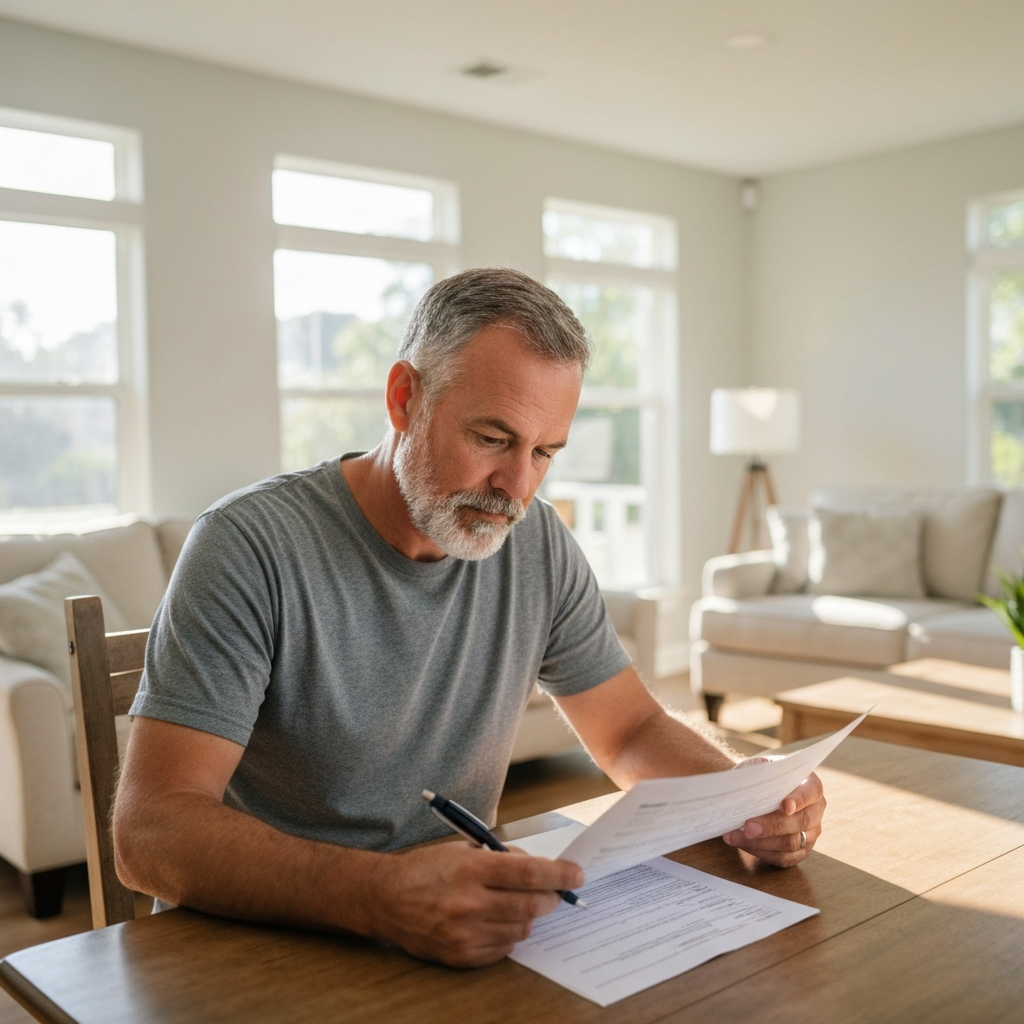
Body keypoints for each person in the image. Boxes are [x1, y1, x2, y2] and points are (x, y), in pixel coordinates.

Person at [115, 267, 825, 969]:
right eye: (492, 438)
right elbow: (150, 832)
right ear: (404, 398)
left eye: (545, 452)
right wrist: (381, 895)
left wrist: (744, 798)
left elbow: (630, 730)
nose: (517, 488)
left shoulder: (537, 542)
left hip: (454, 940)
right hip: (256, 947)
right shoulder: (249, 544)